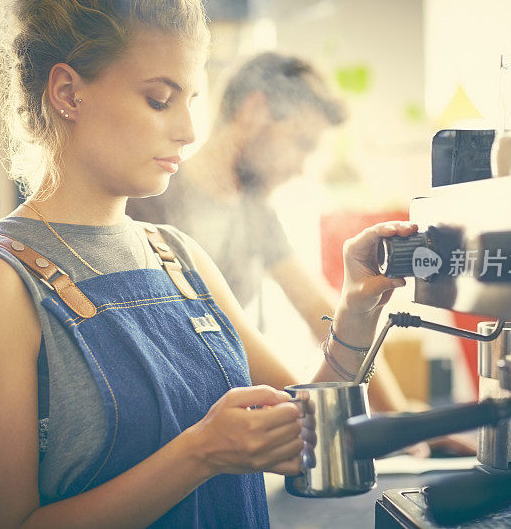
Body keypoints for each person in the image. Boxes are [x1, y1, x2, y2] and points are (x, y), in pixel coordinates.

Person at [0, 0, 416, 527]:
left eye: (192, 98)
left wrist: (357, 305)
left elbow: (299, 429)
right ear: (68, 93)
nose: (189, 130)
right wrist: (201, 454)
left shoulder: (179, 255)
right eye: (160, 100)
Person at [126, 53, 440, 420]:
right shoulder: (149, 205)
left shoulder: (255, 214)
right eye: (301, 142)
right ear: (256, 110)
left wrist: (397, 412)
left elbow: (317, 307)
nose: (300, 166)